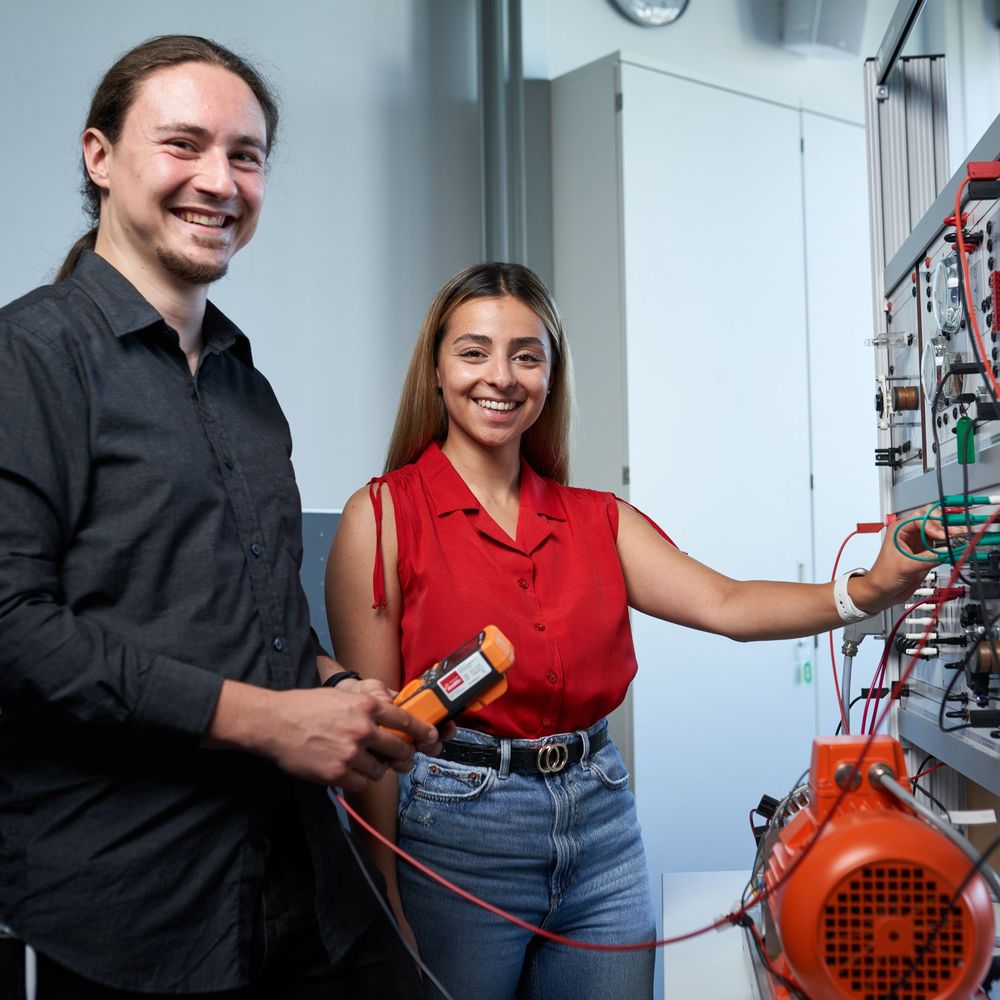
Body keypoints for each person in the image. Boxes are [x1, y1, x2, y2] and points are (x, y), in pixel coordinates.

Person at [326, 261, 942, 1000]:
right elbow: (374, 738)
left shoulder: (598, 519)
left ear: (551, 376)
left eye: (527, 355)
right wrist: (383, 885)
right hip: (456, 834)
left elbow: (727, 604)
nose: (502, 377)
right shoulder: (382, 517)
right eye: (474, 352)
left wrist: (869, 590)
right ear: (435, 370)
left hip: (601, 828)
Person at [0, 35, 445, 999]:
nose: (220, 180)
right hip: (130, 905)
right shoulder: (26, 357)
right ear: (99, 156)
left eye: (246, 155)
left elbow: (261, 618)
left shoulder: (250, 392)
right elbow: (14, 629)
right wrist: (271, 721)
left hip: (301, 879)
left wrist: (340, 692)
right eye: (184, 144)